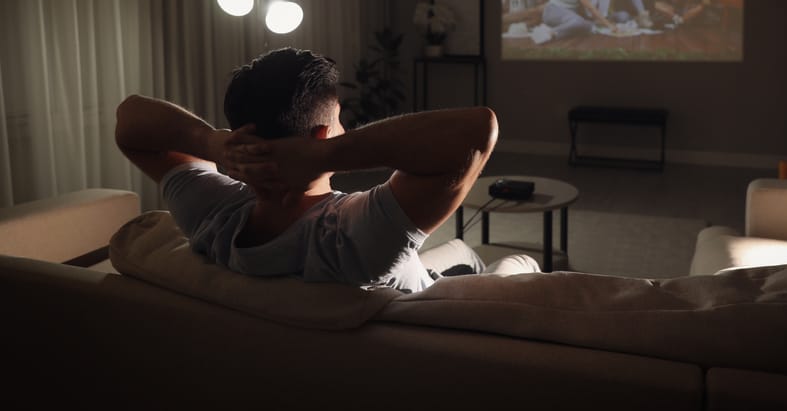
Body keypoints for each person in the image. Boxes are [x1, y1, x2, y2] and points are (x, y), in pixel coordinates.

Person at [115, 47, 538, 293]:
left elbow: (130, 122)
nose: (346, 129)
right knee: (517, 264)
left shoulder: (212, 214)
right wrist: (322, 157)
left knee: (462, 250)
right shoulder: (353, 237)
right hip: (437, 297)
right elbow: (477, 129)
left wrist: (211, 143)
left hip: (408, 267)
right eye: (340, 120)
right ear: (321, 136)